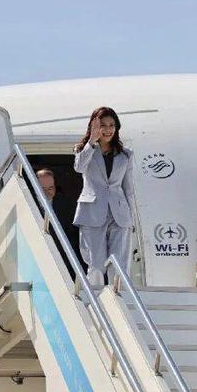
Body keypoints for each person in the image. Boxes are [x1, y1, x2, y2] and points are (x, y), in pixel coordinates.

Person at [73, 107, 134, 286]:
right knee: (96, 265)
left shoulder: (126, 154)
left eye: (111, 125)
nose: (108, 130)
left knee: (120, 265)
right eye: (103, 125)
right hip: (92, 212)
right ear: (94, 127)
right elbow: (79, 168)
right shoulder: (83, 149)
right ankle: (96, 298)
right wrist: (92, 141)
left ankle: (120, 299)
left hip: (119, 214)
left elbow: (128, 188)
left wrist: (131, 219)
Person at [36, 168, 86, 279]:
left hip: (62, 256)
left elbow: (71, 231)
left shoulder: (63, 203)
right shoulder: (29, 202)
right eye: (43, 189)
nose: (47, 192)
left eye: (50, 188)